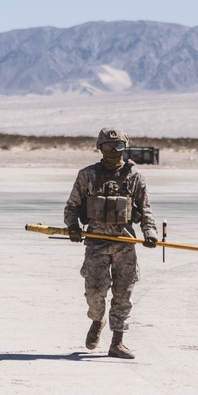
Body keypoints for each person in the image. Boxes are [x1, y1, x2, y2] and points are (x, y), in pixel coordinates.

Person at [64, 127, 158, 359]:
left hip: (125, 243)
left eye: (119, 147)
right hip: (96, 242)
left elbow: (145, 210)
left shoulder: (135, 176)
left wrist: (150, 233)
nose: (114, 151)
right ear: (100, 147)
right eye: (109, 146)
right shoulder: (87, 175)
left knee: (123, 294)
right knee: (95, 292)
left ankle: (117, 341)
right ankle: (97, 320)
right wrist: (73, 227)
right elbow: (72, 206)